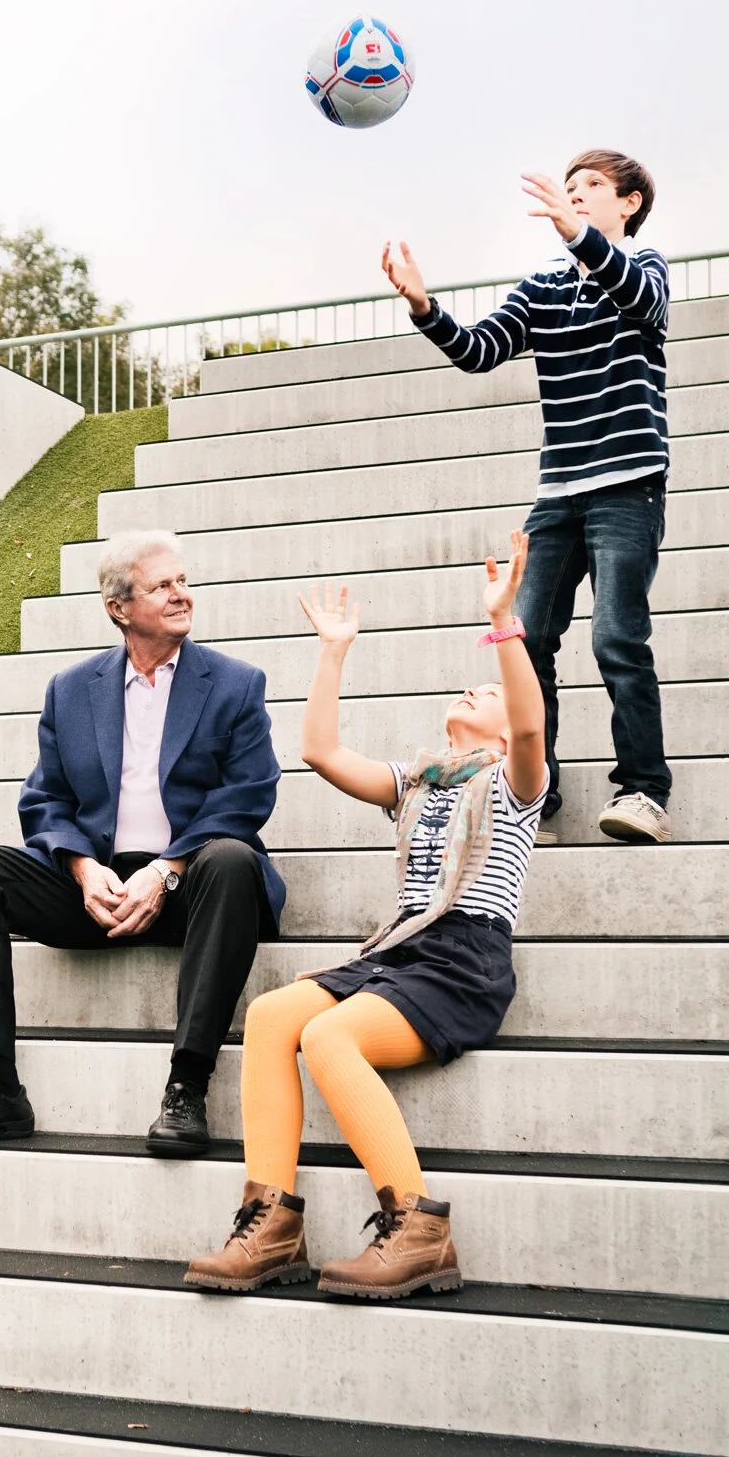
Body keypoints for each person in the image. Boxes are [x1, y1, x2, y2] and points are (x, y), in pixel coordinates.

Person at [186, 531, 546, 1299]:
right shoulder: (415, 784)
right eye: (471, 685)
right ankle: (271, 1223)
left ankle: (417, 1225)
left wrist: (504, 622)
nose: (473, 690)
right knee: (273, 1015)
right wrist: (333, 651)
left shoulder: (514, 789)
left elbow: (525, 726)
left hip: (461, 960)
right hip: (400, 953)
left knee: (326, 1033)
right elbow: (319, 749)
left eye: (484, 690)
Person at [0, 529, 285, 1156]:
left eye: (184, 581)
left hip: (194, 889)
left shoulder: (234, 684)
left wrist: (167, 868)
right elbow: (46, 800)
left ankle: (187, 1086)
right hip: (100, 890)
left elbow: (249, 796)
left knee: (232, 859)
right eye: (162, 585)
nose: (181, 595)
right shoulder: (71, 689)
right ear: (118, 607)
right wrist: (85, 869)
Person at [382, 149, 672, 845]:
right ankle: (536, 790)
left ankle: (644, 792)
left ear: (627, 204)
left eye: (590, 188)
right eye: (566, 189)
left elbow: (644, 300)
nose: (571, 197)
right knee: (526, 636)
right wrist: (424, 305)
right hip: (558, 494)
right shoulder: (540, 287)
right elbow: (481, 349)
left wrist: (579, 237)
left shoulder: (644, 267)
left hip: (626, 485)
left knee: (616, 640)